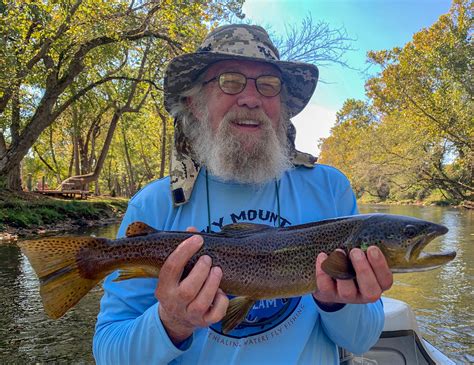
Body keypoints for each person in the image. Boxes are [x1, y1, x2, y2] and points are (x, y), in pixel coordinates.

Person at [93, 24, 393, 364]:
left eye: (268, 85)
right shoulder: (153, 205)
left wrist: (336, 300)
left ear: (282, 106)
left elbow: (362, 338)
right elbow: (109, 353)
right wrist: (170, 323)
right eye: (230, 81)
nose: (251, 99)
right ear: (194, 102)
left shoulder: (330, 190)